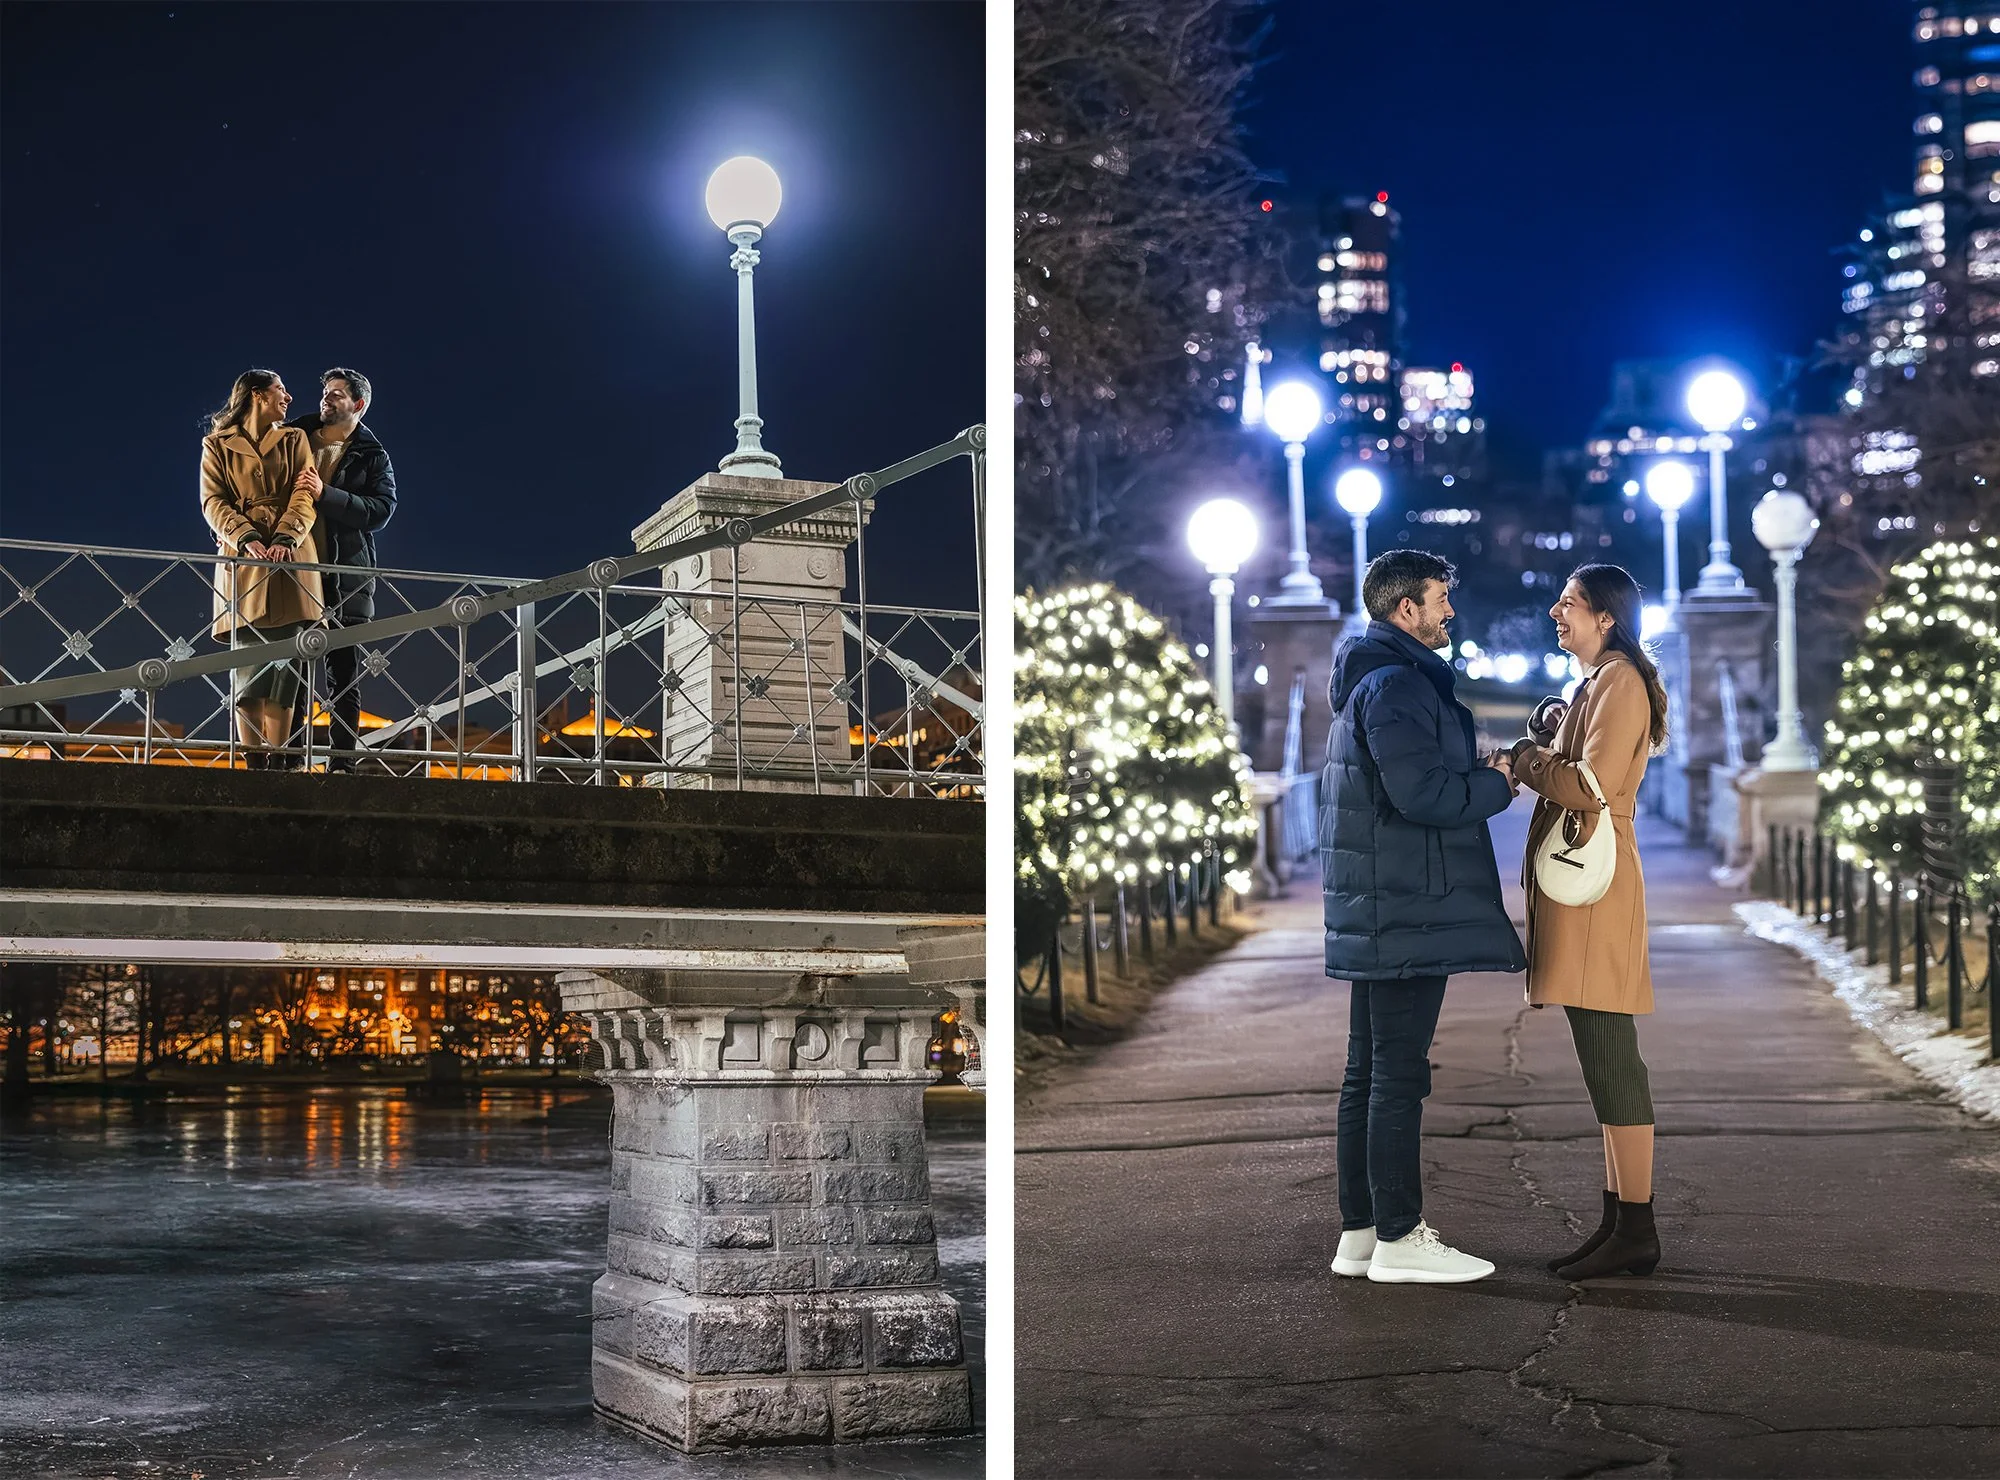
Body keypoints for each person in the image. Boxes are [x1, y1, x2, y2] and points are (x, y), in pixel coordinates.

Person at [1322, 550, 1525, 1284]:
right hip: (1406, 901)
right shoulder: (1397, 686)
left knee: (1368, 1072)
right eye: (1440, 600)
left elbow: (1409, 781)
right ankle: (1402, 1239)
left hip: (1383, 898)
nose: (1449, 612)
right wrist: (1498, 784)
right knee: (1396, 1074)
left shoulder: (1374, 681)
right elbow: (1426, 797)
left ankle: (1362, 1233)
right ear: (1405, 610)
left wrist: (1471, 772)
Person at [1508, 564, 1670, 1280]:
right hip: (1586, 885)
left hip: (1595, 887)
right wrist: (1552, 731)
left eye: (1569, 603)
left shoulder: (1621, 682)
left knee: (1612, 1055)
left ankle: (1637, 1226)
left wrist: (1524, 760)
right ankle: (1618, 1221)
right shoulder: (1602, 683)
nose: (1555, 611)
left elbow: (1589, 787)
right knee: (1602, 1057)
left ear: (1607, 617)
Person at [200, 369, 324, 767]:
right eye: (280, 390)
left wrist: (286, 537)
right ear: (257, 395)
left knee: (285, 676)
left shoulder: (295, 439)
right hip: (244, 564)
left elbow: (306, 493)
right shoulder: (215, 445)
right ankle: (254, 768)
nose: (288, 397)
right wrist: (246, 536)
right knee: (247, 674)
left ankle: (277, 763)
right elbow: (212, 501)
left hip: (292, 562)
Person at [284, 367, 397, 771]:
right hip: (295, 569)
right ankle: (290, 760)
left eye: (336, 394)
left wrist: (325, 494)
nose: (325, 399)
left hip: (345, 573)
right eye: (325, 392)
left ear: (358, 405)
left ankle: (342, 766)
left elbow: (381, 511)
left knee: (344, 677)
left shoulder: (373, 454)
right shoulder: (294, 436)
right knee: (292, 670)